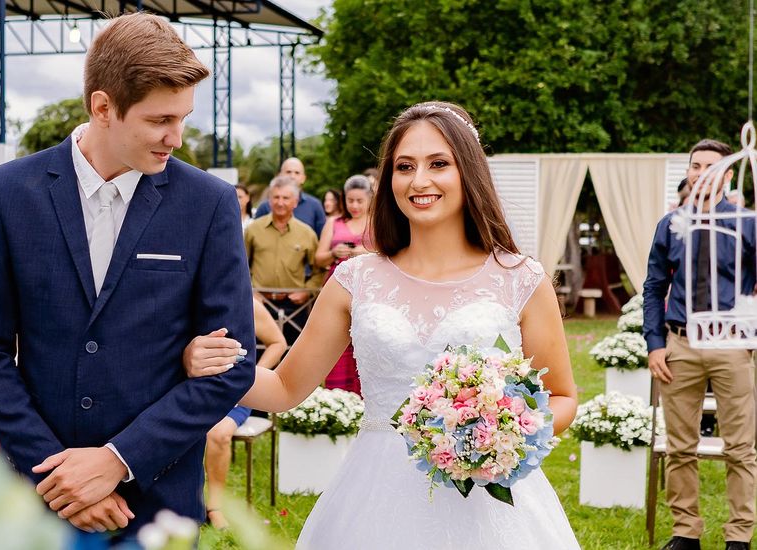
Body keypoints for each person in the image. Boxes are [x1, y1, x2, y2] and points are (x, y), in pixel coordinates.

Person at [185, 102, 579, 548]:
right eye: (404, 166)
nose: (419, 180)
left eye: (439, 164)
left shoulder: (520, 278)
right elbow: (283, 389)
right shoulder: (356, 280)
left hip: (489, 499)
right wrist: (216, 363)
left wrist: (504, 429)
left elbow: (563, 397)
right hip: (375, 495)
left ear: (468, 171)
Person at [0, 13, 256, 540]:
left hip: (157, 499)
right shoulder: (7, 194)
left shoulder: (208, 204)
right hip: (35, 499)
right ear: (103, 107)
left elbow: (233, 368)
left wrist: (118, 461)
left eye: (184, 117)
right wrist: (57, 475)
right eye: (161, 120)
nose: (178, 138)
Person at [643, 139, 756, 550]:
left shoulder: (747, 223)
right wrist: (656, 344)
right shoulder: (670, 224)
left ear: (728, 175)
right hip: (681, 346)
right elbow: (655, 287)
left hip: (732, 346)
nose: (701, 171)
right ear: (689, 172)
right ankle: (685, 532)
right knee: (680, 447)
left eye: (711, 165)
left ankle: (739, 536)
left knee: (741, 447)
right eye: (695, 165)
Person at [200, 297, 287, 530]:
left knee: (218, 434)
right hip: (194, 386)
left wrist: (253, 375)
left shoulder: (248, 301)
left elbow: (278, 343)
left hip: (236, 392)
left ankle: (214, 507)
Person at [244, 175, 324, 344]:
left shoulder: (306, 233)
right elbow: (240, 266)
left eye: (286, 198)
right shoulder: (253, 229)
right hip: (259, 303)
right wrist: (251, 291)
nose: (280, 202)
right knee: (259, 354)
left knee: (291, 354)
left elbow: (319, 270)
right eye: (276, 197)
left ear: (295, 202)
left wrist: (307, 291)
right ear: (269, 200)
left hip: (294, 307)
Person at [314, 174, 373, 395]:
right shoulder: (334, 222)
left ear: (369, 198)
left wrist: (366, 252)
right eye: (350, 200)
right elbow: (317, 258)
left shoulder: (377, 221)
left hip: (367, 290)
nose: (355, 205)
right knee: (335, 341)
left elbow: (393, 253)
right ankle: (337, 396)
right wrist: (333, 252)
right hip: (337, 287)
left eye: (360, 201)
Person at [253, 157, 327, 236]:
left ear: (303, 178)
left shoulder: (315, 206)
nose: (292, 176)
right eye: (288, 172)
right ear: (279, 175)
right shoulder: (265, 207)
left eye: (297, 173)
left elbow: (322, 239)